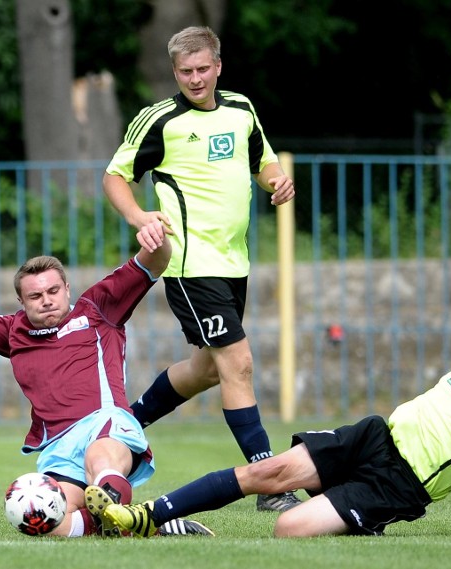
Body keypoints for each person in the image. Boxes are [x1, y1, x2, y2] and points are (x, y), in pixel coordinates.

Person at [87, 293, 451, 539]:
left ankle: (364, 520)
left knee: (289, 528)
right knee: (266, 473)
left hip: (398, 485)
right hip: (374, 437)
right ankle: (145, 516)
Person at [0, 221, 212, 538]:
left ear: (66, 289)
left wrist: (157, 237)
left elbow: (153, 262)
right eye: (35, 296)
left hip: (105, 424)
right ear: (21, 302)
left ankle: (126, 511)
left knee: (101, 460)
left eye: (53, 291)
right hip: (59, 447)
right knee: (44, 519)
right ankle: (142, 523)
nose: (47, 300)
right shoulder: (13, 331)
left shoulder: (98, 309)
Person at [102, 25, 299, 512]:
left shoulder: (241, 110)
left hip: (235, 261)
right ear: (175, 72)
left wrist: (277, 181)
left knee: (208, 370)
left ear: (218, 66)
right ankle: (269, 477)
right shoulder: (160, 119)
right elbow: (115, 176)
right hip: (191, 264)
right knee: (239, 362)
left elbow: (264, 161)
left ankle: (123, 425)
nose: (195, 78)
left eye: (203, 69)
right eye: (185, 71)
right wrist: (140, 216)